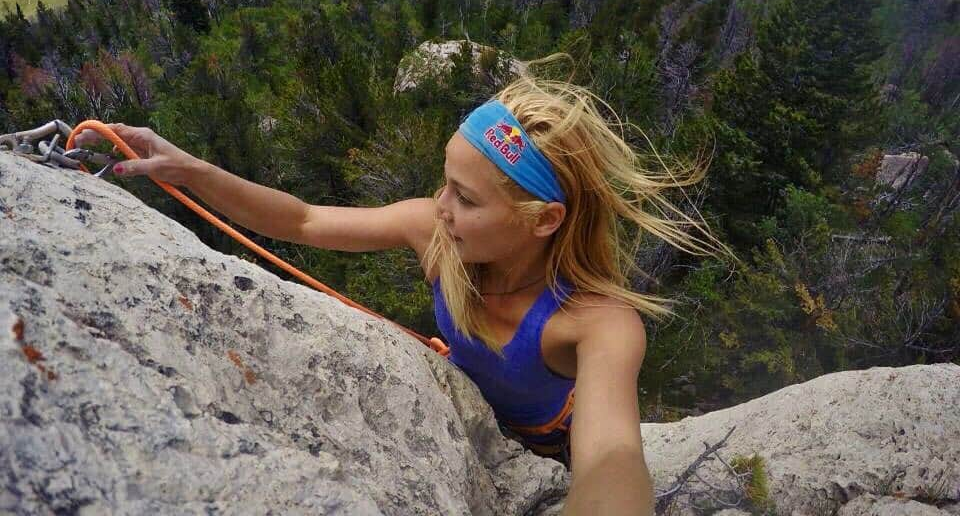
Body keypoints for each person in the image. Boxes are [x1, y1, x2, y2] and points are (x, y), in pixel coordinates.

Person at [75, 66, 735, 516]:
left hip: (542, 453)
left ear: (544, 220)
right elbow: (302, 220)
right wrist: (188, 168)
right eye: (445, 181)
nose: (441, 207)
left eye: (466, 198)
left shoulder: (599, 324)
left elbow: (613, 459)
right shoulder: (435, 232)